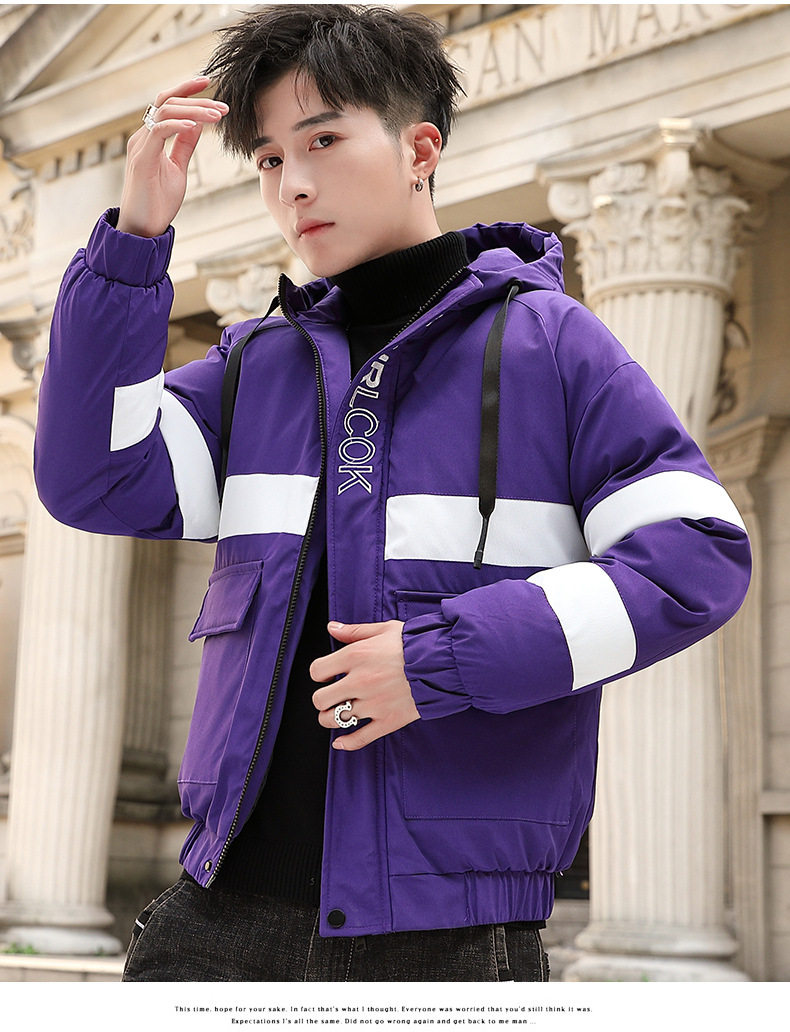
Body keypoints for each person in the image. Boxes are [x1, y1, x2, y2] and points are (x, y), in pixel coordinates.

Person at [34, 4, 751, 982]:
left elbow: (693, 558)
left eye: (323, 141)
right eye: (269, 159)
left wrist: (440, 660)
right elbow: (94, 479)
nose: (292, 183)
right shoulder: (257, 368)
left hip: (446, 940)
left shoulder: (551, 346)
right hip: (216, 921)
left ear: (419, 150)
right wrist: (133, 242)